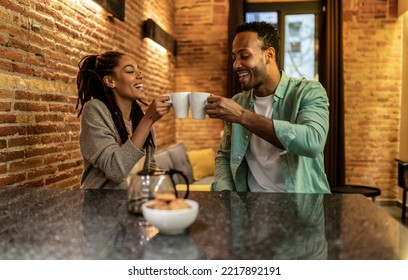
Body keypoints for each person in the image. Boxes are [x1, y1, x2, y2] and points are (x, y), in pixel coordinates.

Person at [205, 21, 330, 193]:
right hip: (252, 208)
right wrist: (224, 194)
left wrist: (241, 115)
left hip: (302, 210)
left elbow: (312, 142)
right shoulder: (239, 101)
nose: (236, 65)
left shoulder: (308, 91)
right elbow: (226, 156)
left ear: (269, 55)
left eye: (245, 56)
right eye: (234, 57)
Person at [76, 51, 171, 189]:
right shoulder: (95, 110)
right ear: (110, 81)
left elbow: (148, 165)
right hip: (102, 205)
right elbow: (115, 170)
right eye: (130, 71)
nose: (140, 75)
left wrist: (161, 190)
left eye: (139, 70)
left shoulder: (139, 116)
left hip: (134, 202)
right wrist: (149, 119)